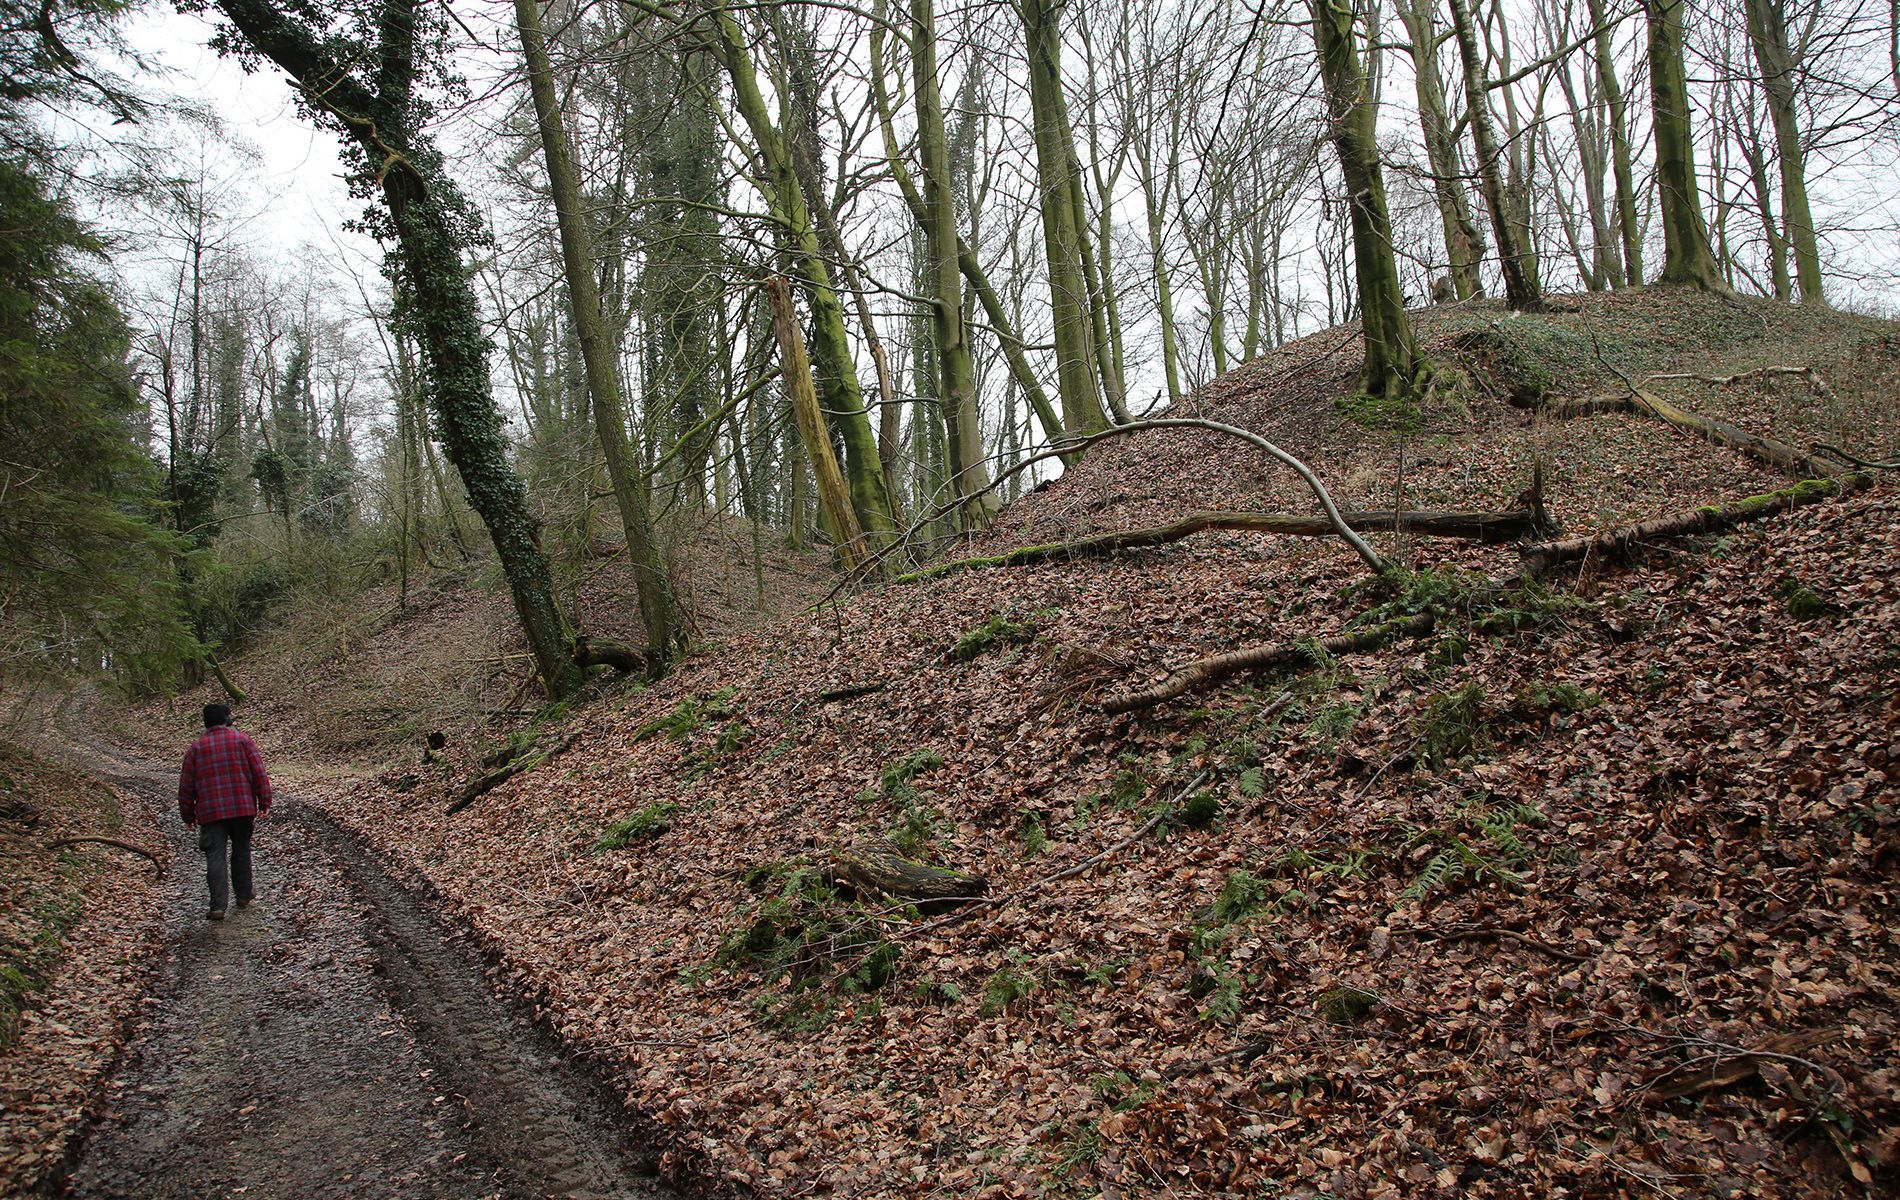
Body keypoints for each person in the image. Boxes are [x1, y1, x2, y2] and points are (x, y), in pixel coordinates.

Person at [177, 703, 273, 921]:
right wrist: (264, 801)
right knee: (241, 849)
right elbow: (259, 773)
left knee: (215, 855)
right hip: (242, 808)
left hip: (210, 812)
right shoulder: (242, 740)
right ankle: (244, 895)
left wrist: (187, 815)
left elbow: (186, 786)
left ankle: (218, 905)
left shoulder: (196, 748)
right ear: (225, 719)